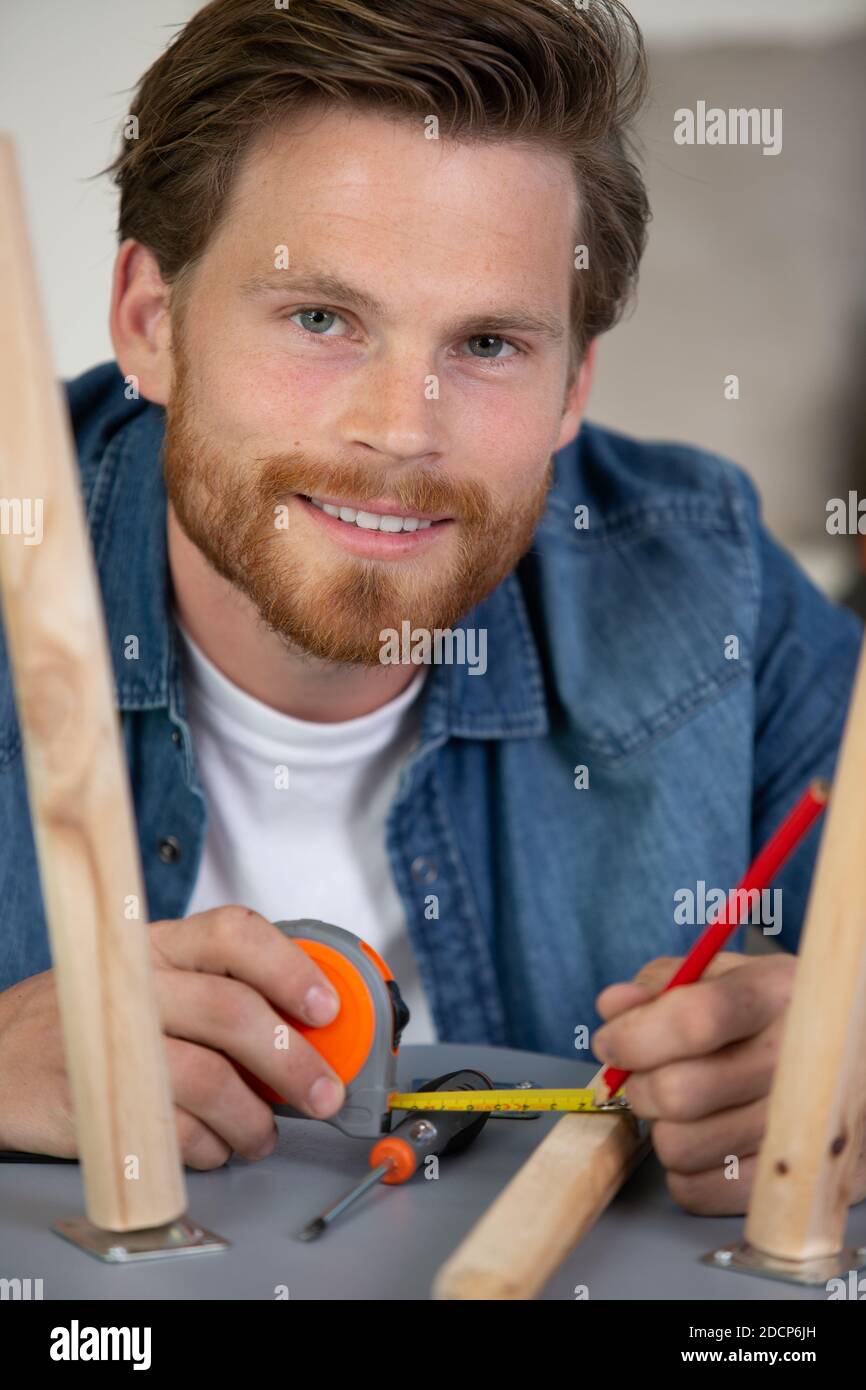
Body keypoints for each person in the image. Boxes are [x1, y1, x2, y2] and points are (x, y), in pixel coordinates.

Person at [0, 0, 862, 1216]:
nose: (401, 429)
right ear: (151, 323)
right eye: (319, 318)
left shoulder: (701, 579)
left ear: (572, 385)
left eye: (489, 344)